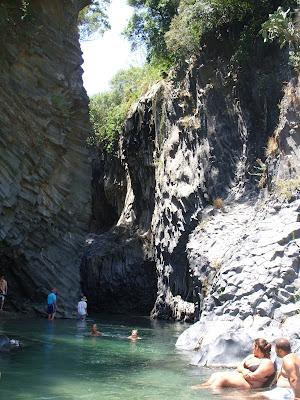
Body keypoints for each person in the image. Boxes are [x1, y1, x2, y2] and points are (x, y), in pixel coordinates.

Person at [193, 338, 276, 390]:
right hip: (243, 378)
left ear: (257, 347)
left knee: (222, 379)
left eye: (253, 346)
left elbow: (253, 377)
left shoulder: (267, 362)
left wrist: (243, 372)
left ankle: (209, 393)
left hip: (251, 385)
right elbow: (239, 366)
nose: (252, 348)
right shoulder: (251, 356)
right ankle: (202, 387)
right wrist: (244, 371)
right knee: (216, 375)